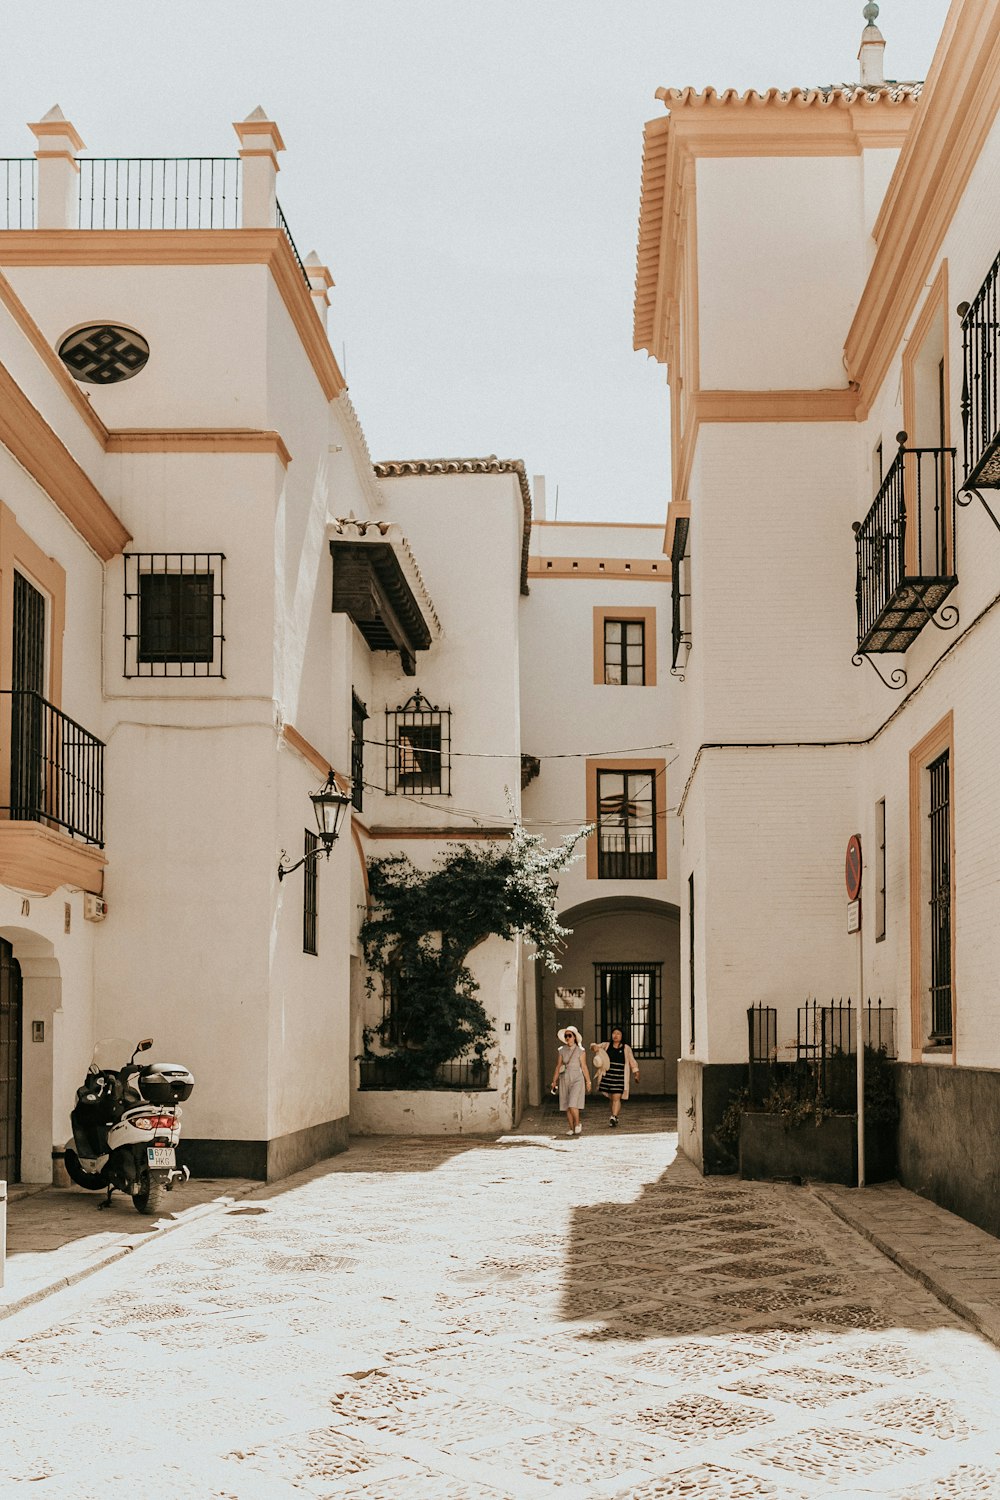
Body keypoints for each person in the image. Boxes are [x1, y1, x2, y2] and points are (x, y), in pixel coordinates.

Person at [593, 1026, 639, 1127]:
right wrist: (594, 1047)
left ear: (622, 1036)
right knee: (611, 1098)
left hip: (619, 1077)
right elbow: (595, 1047)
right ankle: (614, 1116)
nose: (616, 1035)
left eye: (618, 1033)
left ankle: (614, 1116)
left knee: (616, 1097)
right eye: (614, 1033)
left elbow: (632, 1061)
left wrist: (636, 1072)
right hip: (608, 1076)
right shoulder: (606, 1045)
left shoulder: (626, 1048)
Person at [550, 1025, 591, 1136]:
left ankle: (577, 1124)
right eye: (566, 1036)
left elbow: (584, 1066)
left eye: (569, 1035)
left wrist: (588, 1081)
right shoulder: (561, 1050)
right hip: (564, 1078)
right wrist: (554, 1081)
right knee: (567, 1105)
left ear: (575, 1037)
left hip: (577, 1078)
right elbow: (558, 1066)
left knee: (573, 1103)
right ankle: (571, 1128)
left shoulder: (581, 1051)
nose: (567, 1038)